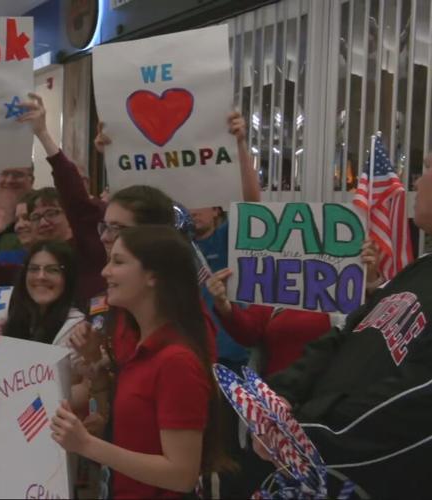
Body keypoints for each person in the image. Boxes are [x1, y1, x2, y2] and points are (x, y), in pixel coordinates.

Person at [242, 161, 432, 498]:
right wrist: (281, 397)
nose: (418, 179)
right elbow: (344, 335)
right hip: (319, 466)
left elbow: (414, 400)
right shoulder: (419, 270)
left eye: (430, 168)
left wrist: (304, 434)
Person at [54, 226, 228, 498]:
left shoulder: (176, 361)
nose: (105, 272)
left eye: (118, 261)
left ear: (153, 276)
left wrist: (87, 445)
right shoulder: (141, 349)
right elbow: (128, 436)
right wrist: (97, 379)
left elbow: (182, 474)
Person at [205, 239, 382, 377]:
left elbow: (373, 325)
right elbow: (249, 333)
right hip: (279, 401)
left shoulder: (348, 289)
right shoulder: (275, 289)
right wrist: (224, 305)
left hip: (332, 400)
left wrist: (370, 278)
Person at [0, 187, 106, 302]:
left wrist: (55, 157)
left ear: (70, 216)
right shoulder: (31, 262)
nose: (43, 223)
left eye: (52, 213)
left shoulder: (87, 252)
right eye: (35, 217)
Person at [2, 240, 85, 346]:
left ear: (68, 278)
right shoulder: (14, 318)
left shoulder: (76, 328)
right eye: (34, 269)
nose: (41, 276)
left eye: (52, 270)